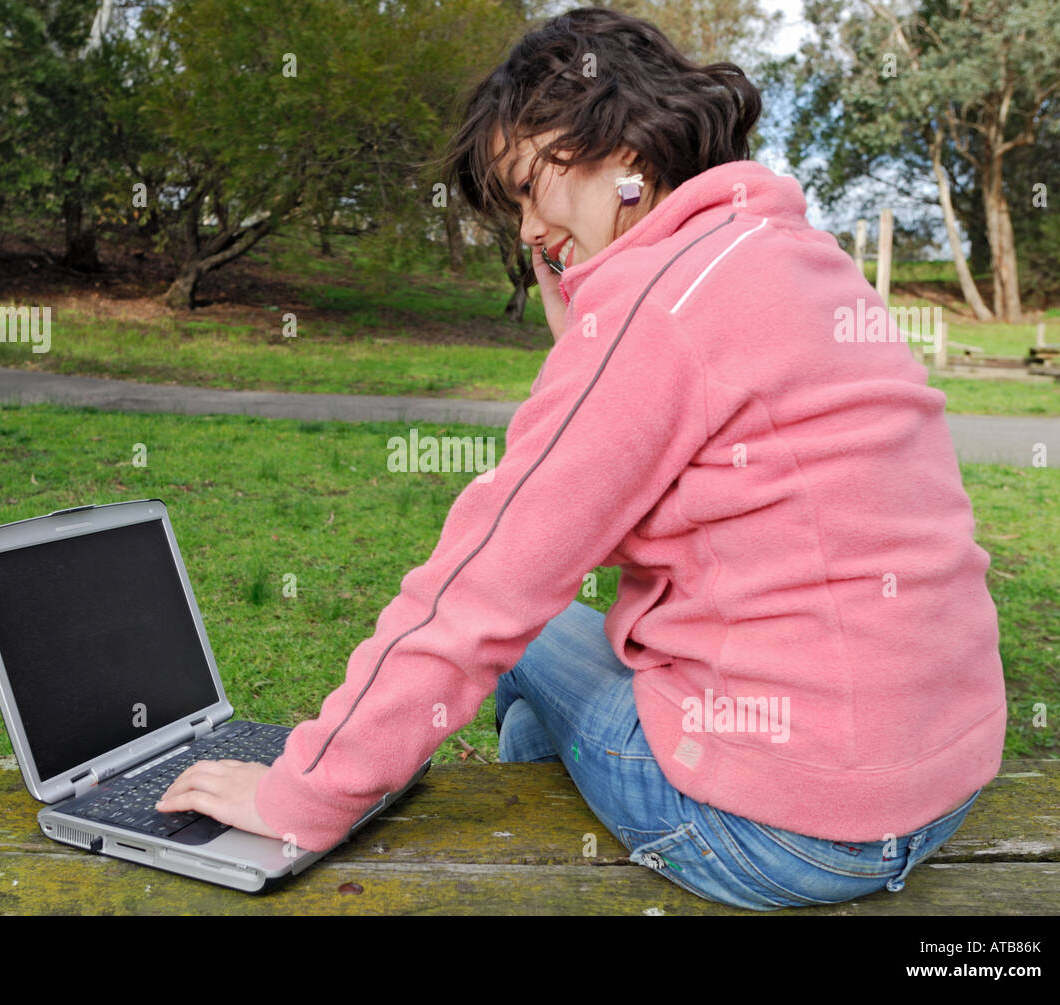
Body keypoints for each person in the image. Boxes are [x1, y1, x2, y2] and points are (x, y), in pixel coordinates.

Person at [156, 7, 1007, 910]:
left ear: (621, 146)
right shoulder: (794, 257)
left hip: (781, 832)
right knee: (555, 659)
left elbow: (485, 585)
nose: (526, 230)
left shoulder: (659, 309)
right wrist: (583, 320)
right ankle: (552, 798)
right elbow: (627, 499)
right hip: (931, 787)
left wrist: (303, 796)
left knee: (521, 646)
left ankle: (547, 823)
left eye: (530, 185)